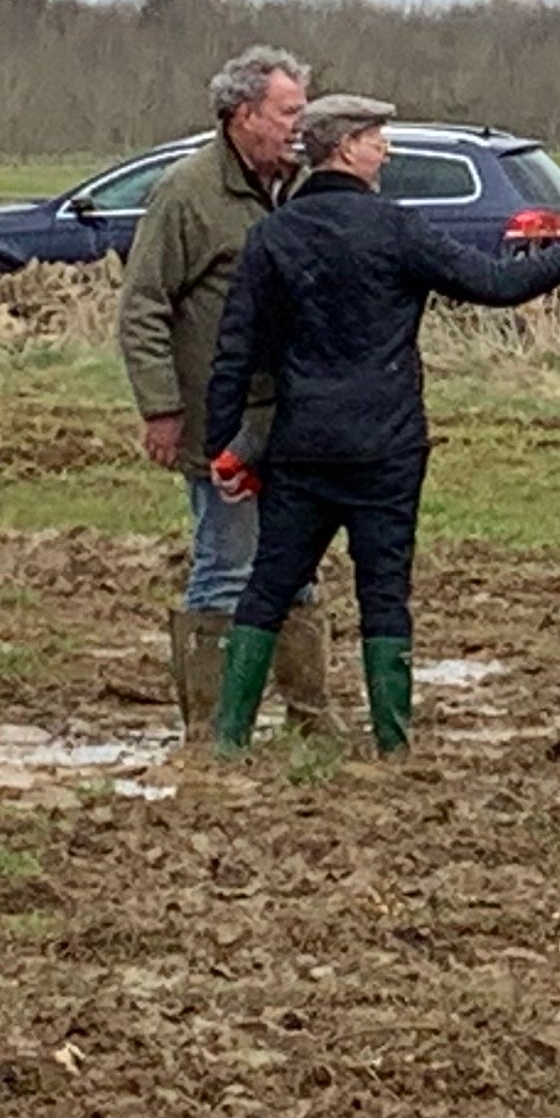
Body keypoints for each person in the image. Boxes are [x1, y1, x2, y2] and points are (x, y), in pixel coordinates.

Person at [202, 95, 560, 755]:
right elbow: (495, 285)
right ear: (345, 148)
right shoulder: (395, 229)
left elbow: (236, 351)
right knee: (384, 589)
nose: (386, 148)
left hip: (301, 444)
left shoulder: (274, 234)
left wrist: (225, 446)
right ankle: (393, 746)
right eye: (376, 136)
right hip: (387, 446)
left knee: (268, 584)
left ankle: (229, 742)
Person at [113, 43, 350, 748]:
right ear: (243, 116)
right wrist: (161, 408)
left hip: (299, 417)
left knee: (298, 560)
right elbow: (143, 307)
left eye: (303, 113)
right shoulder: (189, 194)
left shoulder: (307, 186)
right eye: (287, 113)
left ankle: (313, 720)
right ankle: (213, 732)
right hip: (223, 422)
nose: (298, 128)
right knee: (225, 564)